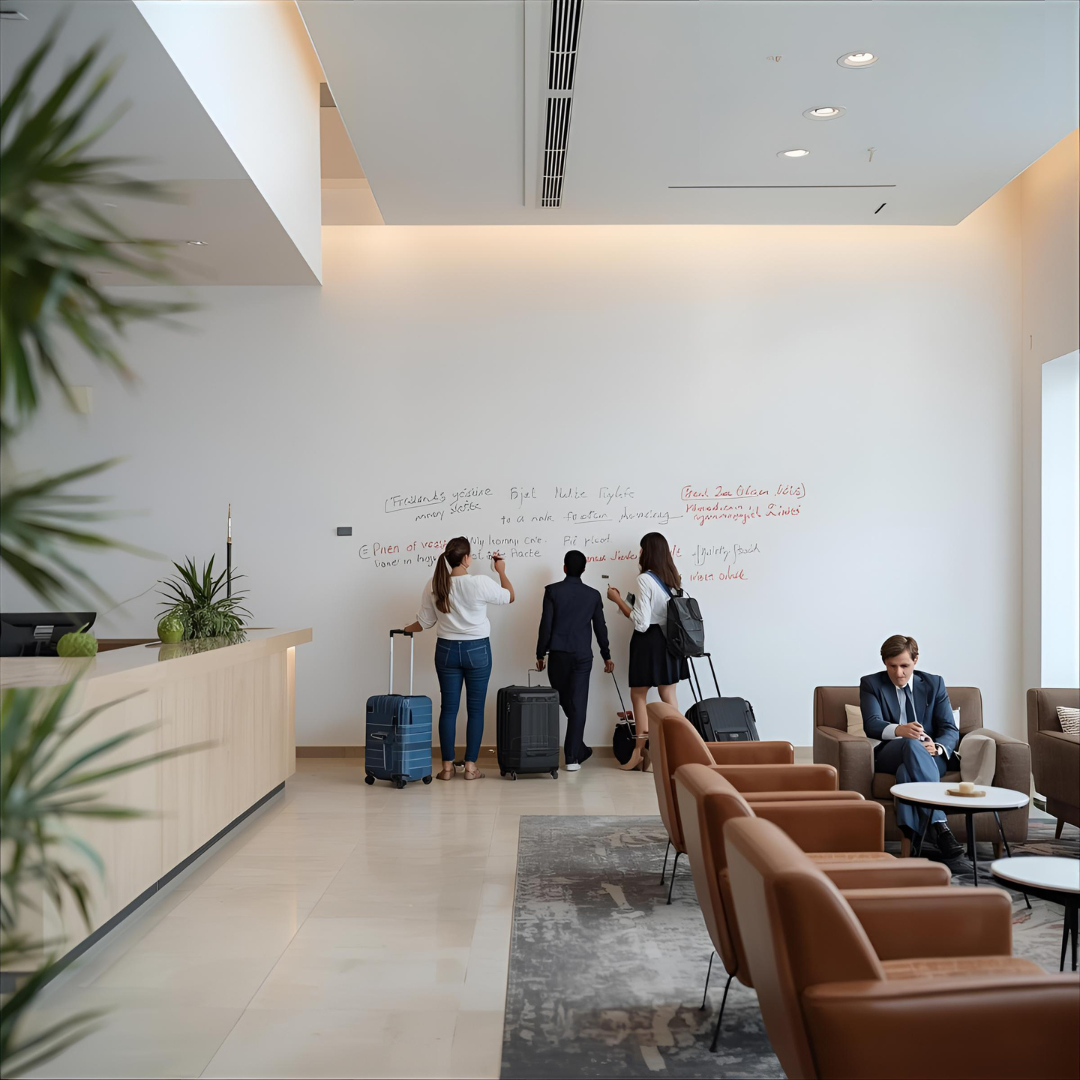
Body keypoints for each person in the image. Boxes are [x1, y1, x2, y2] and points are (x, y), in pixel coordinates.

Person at [403, 537, 514, 781]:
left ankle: (446, 768)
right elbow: (509, 596)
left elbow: (424, 623)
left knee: (449, 710)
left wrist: (406, 629)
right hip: (478, 651)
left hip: (446, 651)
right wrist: (501, 571)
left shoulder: (435, 583)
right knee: (475, 711)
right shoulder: (480, 582)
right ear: (465, 559)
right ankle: (471, 768)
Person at [860, 634, 965, 859]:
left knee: (906, 772)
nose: (899, 673)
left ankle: (914, 836)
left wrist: (937, 747)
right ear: (884, 663)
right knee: (909, 744)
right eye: (892, 666)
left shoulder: (933, 683)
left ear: (915, 661)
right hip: (891, 752)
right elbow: (871, 724)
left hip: (929, 755)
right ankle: (940, 825)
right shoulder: (871, 683)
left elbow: (949, 728)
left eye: (905, 666)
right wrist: (899, 730)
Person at [605, 532, 689, 771]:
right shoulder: (673, 578)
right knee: (669, 697)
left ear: (647, 552)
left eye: (641, 549)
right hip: (670, 642)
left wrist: (617, 600)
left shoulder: (645, 579)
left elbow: (641, 622)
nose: (639, 553)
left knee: (638, 696)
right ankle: (678, 751)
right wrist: (627, 605)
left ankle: (640, 754)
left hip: (649, 642)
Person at [535, 550, 615, 771]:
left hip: (558, 655)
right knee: (577, 704)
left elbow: (546, 625)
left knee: (565, 701)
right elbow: (600, 628)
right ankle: (574, 754)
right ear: (584, 570)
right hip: (582, 657)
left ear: (564, 568)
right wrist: (606, 655)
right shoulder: (593, 595)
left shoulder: (552, 591)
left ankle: (574, 752)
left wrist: (540, 653)